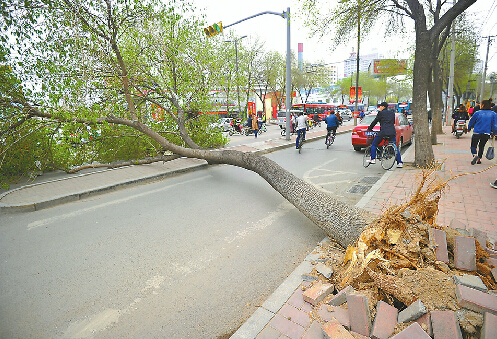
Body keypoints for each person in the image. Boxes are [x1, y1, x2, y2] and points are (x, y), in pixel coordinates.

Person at [366, 101, 403, 168]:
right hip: (392, 132)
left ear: (383, 107)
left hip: (383, 132)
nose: (379, 108)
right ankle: (400, 162)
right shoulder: (392, 113)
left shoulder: (380, 113)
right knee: (395, 147)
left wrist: (370, 128)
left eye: (380, 106)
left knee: (374, 144)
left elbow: (375, 121)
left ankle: (373, 159)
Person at [467, 99, 497, 165]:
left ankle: (475, 155)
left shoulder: (477, 113)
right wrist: (495, 133)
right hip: (486, 133)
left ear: (483, 105)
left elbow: (471, 121)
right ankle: (479, 159)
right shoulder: (493, 114)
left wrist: (468, 128)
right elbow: (495, 125)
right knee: (481, 146)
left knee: (473, 145)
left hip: (477, 132)